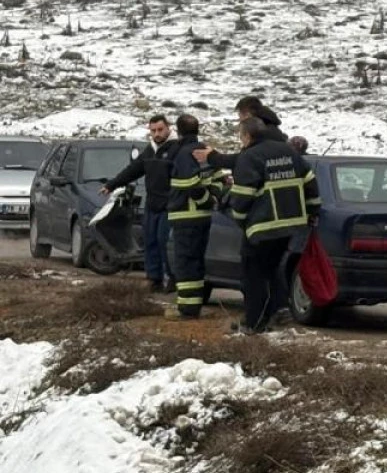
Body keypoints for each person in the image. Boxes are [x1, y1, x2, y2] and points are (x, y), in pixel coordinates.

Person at [226, 116, 321, 334]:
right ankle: (278, 310)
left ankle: (254, 323)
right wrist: (312, 211)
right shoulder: (288, 152)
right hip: (290, 227)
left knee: (253, 276)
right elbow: (310, 183)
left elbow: (242, 197)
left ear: (247, 136)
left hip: (261, 228)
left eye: (241, 136)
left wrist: (240, 220)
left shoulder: (248, 157)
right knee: (271, 269)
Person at [103, 114, 177, 292]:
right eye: (153, 131)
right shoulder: (150, 151)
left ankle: (172, 278)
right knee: (150, 241)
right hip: (152, 204)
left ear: (168, 128)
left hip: (169, 205)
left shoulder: (176, 149)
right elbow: (133, 170)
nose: (157, 134)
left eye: (160, 130)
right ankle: (154, 278)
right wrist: (112, 185)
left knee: (163, 242)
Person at [165, 115, 221, 319]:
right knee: (196, 261)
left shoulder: (183, 153)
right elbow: (220, 179)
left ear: (178, 132)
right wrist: (213, 199)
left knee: (185, 263)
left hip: (186, 216)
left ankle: (187, 309)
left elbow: (190, 184)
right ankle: (194, 305)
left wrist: (206, 199)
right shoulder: (206, 150)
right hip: (203, 217)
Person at [194, 96, 288, 170]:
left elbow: (243, 160)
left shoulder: (261, 133)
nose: (239, 120)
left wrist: (212, 157)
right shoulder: (271, 129)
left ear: (247, 115)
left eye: (240, 116)